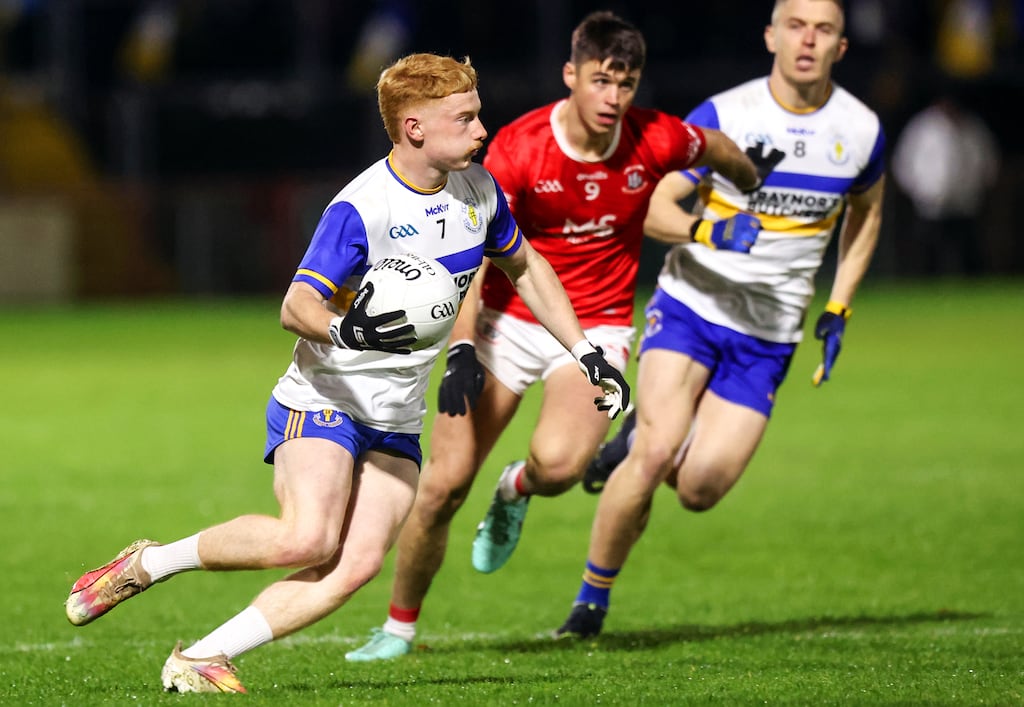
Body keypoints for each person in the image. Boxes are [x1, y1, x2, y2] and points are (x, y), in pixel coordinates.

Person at [62, 52, 629, 694]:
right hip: (325, 395)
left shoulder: (478, 190)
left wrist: (586, 352)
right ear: (414, 127)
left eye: (478, 115)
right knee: (306, 539)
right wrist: (348, 329)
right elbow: (295, 305)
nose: (481, 130)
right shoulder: (363, 207)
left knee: (356, 565)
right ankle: (148, 563)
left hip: (397, 416)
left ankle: (198, 658)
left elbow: (526, 268)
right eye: (465, 118)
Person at [346, 11, 774, 662]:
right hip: (504, 320)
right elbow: (478, 254)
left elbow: (716, 149)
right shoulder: (519, 149)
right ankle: (398, 626)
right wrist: (462, 347)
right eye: (601, 80)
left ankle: (516, 486)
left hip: (595, 326)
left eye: (626, 83)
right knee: (443, 484)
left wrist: (752, 184)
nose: (613, 97)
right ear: (571, 75)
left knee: (562, 467)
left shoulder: (655, 139)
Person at [560, 0, 886, 638]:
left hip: (770, 332)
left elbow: (867, 212)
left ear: (842, 48)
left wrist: (840, 302)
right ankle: (588, 606)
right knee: (655, 454)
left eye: (824, 31)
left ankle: (635, 437)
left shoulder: (862, 129)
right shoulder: (726, 116)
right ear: (771, 36)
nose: (808, 41)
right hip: (692, 306)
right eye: (796, 26)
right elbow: (649, 207)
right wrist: (708, 231)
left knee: (700, 488)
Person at [891, 92, 999, 276]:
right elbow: (904, 163)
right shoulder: (922, 127)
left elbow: (987, 162)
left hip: (965, 204)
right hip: (930, 205)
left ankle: (974, 290)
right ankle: (925, 290)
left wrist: (979, 189)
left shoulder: (972, 127)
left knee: (969, 254)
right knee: (928, 255)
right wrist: (918, 192)